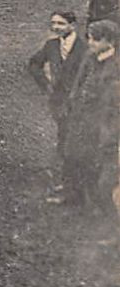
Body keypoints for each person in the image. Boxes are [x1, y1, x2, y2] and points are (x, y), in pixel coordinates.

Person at [59, 19, 120, 212]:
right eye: (89, 38)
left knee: (95, 161)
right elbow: (78, 83)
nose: (90, 43)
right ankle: (75, 196)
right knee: (73, 155)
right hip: (80, 116)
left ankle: (96, 204)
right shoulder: (89, 57)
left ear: (109, 42)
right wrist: (73, 103)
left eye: (95, 39)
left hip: (100, 120)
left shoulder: (116, 65)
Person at [27, 10, 86, 205]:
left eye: (60, 23)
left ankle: (70, 186)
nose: (55, 27)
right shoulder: (51, 45)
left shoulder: (84, 47)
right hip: (58, 102)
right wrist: (45, 85)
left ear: (72, 25)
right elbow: (34, 64)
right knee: (64, 138)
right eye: (53, 23)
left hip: (78, 104)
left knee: (71, 142)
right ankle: (66, 183)